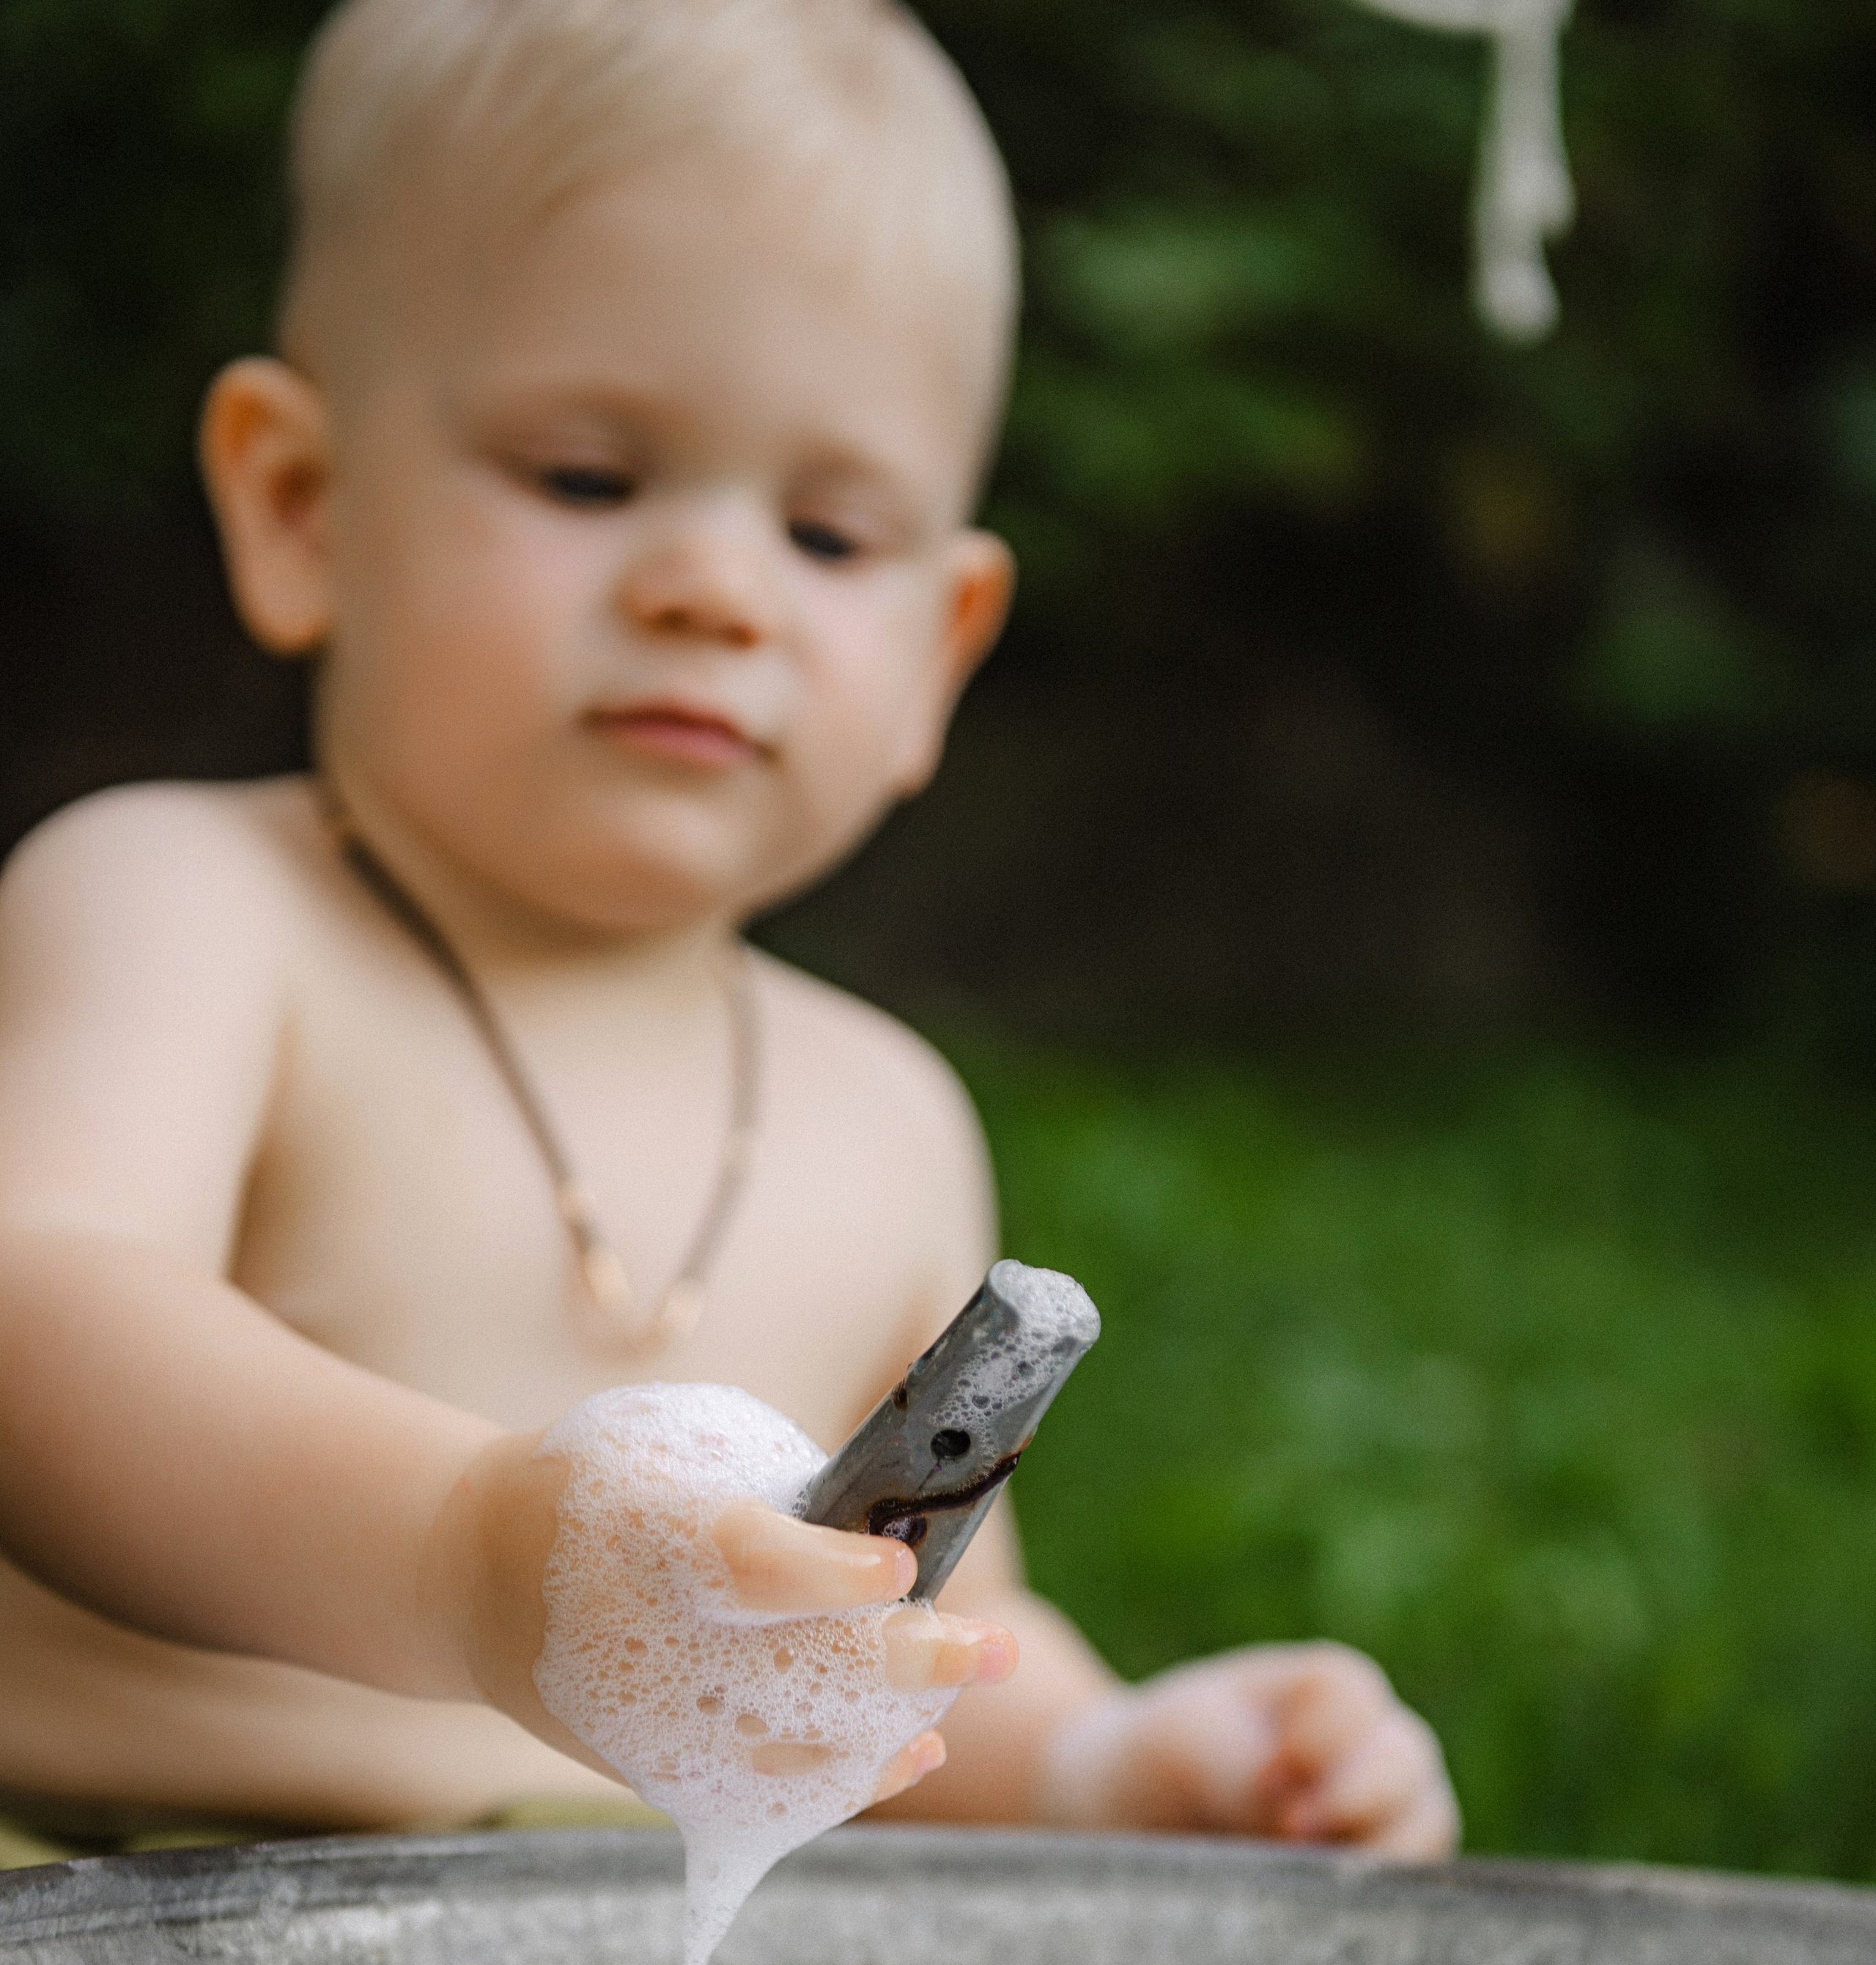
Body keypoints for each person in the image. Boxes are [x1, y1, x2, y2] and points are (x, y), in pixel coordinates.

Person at [0, 0, 1458, 1868]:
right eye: (587, 477)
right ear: (303, 506)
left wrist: (1104, 1763)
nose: (715, 590)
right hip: (104, 1902)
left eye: (829, 537)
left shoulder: (885, 1113)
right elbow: (42, 1316)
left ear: (938, 653)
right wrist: (465, 1558)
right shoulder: (187, 911)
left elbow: (885, 1630)